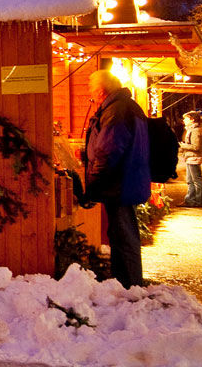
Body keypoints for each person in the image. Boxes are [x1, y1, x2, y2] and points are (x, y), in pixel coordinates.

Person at [80, 70, 151, 288]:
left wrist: (94, 183)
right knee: (121, 231)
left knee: (123, 233)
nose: (93, 99)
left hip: (119, 183)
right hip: (127, 179)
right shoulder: (126, 107)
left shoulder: (116, 111)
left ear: (102, 92)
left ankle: (130, 284)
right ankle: (126, 280)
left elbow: (109, 151)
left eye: (93, 95)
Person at [178, 111, 202, 208]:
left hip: (194, 157)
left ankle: (199, 201)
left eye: (186, 118)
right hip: (190, 157)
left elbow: (196, 147)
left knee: (196, 180)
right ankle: (190, 200)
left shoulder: (196, 130)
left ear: (192, 119)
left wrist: (182, 145)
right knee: (190, 180)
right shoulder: (191, 129)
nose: (184, 120)